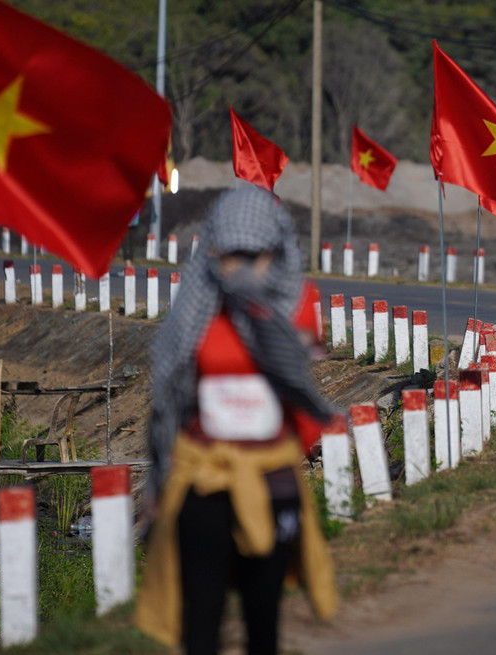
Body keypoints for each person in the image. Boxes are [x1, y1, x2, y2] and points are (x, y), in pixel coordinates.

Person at [136, 186, 339, 655]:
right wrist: (160, 476)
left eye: (256, 255)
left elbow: (297, 379)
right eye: (232, 256)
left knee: (262, 611)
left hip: (272, 475)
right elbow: (170, 392)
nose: (244, 269)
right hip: (204, 473)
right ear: (212, 252)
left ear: (277, 252)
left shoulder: (296, 302)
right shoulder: (197, 306)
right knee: (201, 614)